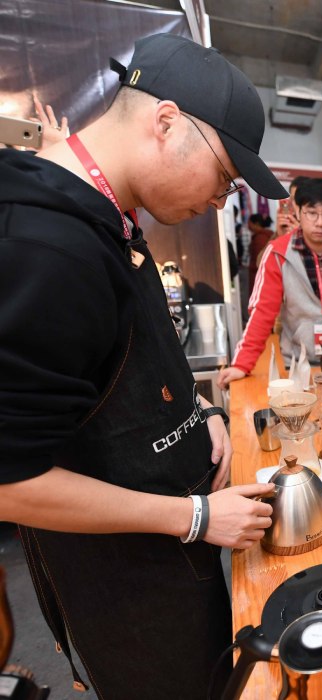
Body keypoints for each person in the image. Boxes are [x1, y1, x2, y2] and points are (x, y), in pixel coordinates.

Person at [0, 33, 284, 699]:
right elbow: (10, 482)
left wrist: (200, 413)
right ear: (166, 122)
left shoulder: (115, 224)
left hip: (174, 555)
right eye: (224, 176)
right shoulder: (48, 248)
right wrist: (194, 517)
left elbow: (129, 366)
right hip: (124, 584)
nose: (222, 199)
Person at [220, 178, 322, 387]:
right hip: (298, 360)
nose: (320, 222)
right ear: (299, 212)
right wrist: (242, 365)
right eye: (312, 213)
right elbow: (263, 312)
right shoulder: (278, 252)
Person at [247, 211, 275, 284]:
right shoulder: (265, 235)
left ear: (256, 224)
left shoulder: (260, 238)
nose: (248, 226)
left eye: (249, 223)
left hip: (259, 276)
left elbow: (260, 261)